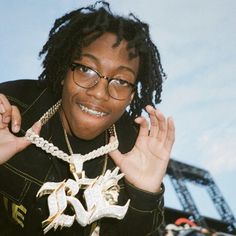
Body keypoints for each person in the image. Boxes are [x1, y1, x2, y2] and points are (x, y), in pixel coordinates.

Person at [0, 1, 175, 235]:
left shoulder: (135, 151)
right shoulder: (13, 108)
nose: (99, 93)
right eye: (86, 70)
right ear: (64, 71)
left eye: (121, 81)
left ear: (131, 95)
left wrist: (143, 198)